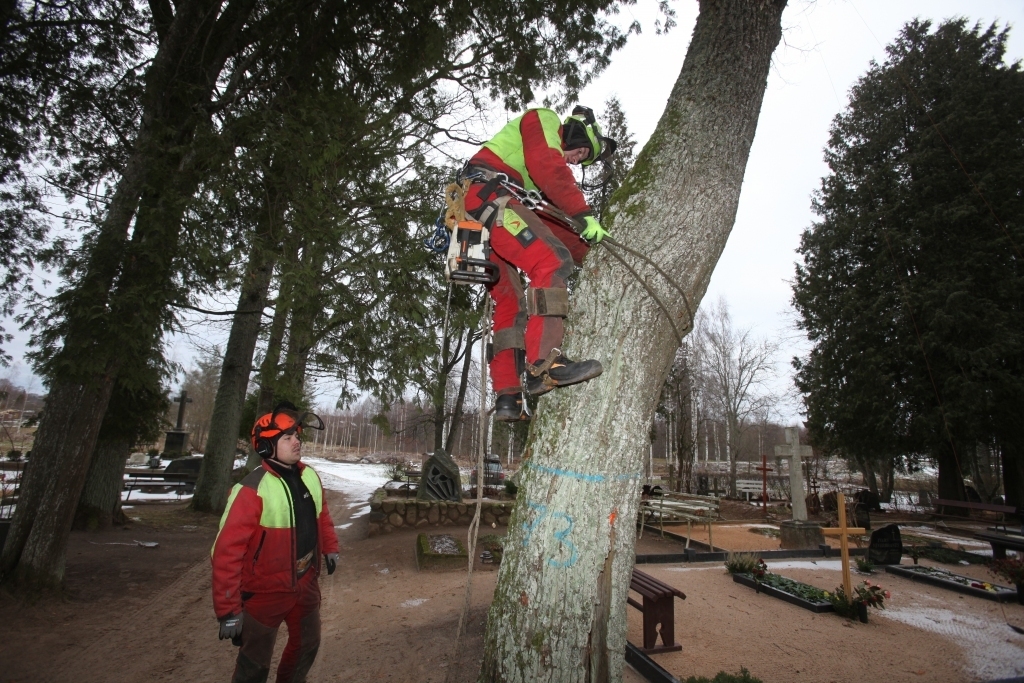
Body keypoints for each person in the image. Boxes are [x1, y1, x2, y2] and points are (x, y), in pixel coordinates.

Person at [462, 105, 617, 422]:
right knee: (550, 260)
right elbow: (548, 164)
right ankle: (546, 363)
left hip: (480, 212)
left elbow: (552, 223)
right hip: (489, 196)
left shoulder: (529, 180)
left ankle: (508, 396)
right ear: (576, 130)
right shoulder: (543, 121)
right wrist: (584, 213)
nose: (578, 160)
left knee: (509, 303)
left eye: (583, 159)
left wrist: (594, 255)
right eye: (582, 150)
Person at [211, 402, 339, 683]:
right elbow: (225, 552)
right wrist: (229, 609)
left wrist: (330, 547)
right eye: (288, 437)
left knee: (307, 646)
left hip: (305, 583)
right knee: (254, 664)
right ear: (266, 446)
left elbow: (323, 515)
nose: (297, 441)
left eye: (297, 436)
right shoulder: (251, 489)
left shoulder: (309, 476)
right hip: (264, 593)